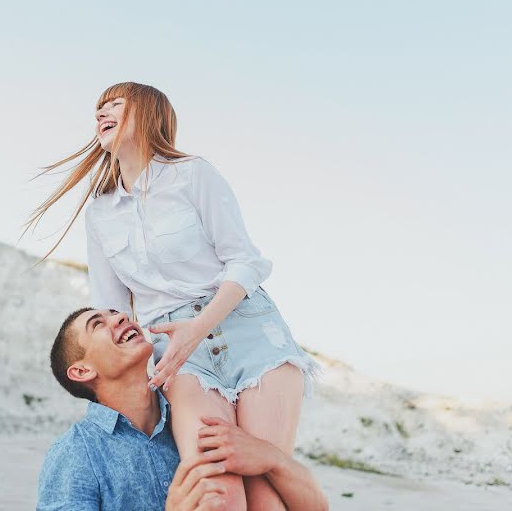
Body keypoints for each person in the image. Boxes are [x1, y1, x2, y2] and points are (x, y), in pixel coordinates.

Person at [27, 81, 323, 509]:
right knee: (218, 491)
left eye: (114, 104)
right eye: (98, 108)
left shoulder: (194, 174)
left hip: (249, 331)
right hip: (181, 355)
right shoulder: (100, 213)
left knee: (263, 489)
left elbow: (246, 262)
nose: (101, 113)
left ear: (149, 113)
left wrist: (197, 329)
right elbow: (110, 304)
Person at [36, 306, 328, 511]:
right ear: (82, 371)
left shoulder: (204, 413)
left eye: (115, 311)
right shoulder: (75, 454)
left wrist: (274, 460)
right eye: (97, 324)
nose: (120, 316)